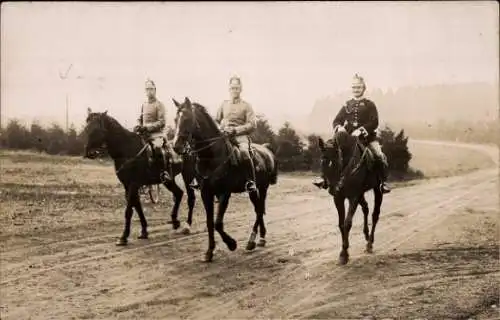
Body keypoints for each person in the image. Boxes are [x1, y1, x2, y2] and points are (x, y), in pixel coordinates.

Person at [313, 74, 391, 194]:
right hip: (348, 138)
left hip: (367, 138)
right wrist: (339, 128)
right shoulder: (346, 105)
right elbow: (336, 120)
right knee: (328, 151)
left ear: (364, 88)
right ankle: (323, 178)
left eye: (359, 87)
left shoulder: (370, 104)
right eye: (354, 87)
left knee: (379, 155)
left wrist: (361, 130)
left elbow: (374, 122)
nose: (356, 90)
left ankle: (382, 183)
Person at [215, 76, 258, 193]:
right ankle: (206, 180)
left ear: (241, 89)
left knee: (244, 152)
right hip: (225, 135)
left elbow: (252, 124)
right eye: (232, 88)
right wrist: (221, 127)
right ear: (229, 89)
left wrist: (236, 130)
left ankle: (250, 181)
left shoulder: (246, 106)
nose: (234, 90)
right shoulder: (224, 104)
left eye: (237, 88)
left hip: (240, 136)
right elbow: (216, 120)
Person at [134, 79, 181, 182]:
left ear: (155, 90)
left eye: (151, 89)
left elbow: (161, 122)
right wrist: (138, 125)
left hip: (157, 134)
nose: (149, 91)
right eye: (147, 89)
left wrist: (147, 127)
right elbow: (139, 118)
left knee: (157, 147)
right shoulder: (144, 104)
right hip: (144, 134)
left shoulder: (159, 104)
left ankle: (164, 172)